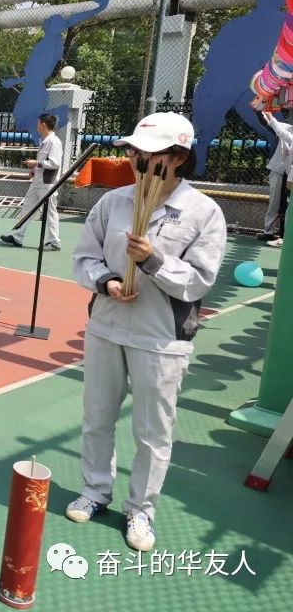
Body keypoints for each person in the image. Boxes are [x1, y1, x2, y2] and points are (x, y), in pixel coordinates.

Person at [67, 112, 226, 553]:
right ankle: (95, 490)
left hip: (161, 338)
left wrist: (154, 260)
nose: (138, 159)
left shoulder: (203, 212)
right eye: (135, 151)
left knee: (152, 430)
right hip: (106, 326)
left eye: (149, 153)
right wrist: (107, 282)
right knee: (97, 416)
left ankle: (141, 509)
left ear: (177, 158)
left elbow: (200, 280)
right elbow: (84, 258)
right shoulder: (114, 202)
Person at [0, 113, 63, 251]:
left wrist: (37, 163)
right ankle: (17, 236)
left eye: (38, 123)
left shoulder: (54, 142)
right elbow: (44, 162)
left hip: (48, 184)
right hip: (38, 182)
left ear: (43, 124)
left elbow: (55, 163)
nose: (37, 126)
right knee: (27, 208)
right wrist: (35, 169)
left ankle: (54, 241)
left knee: (50, 211)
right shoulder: (45, 141)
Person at [259, 111, 292, 246]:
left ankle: (285, 235)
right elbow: (271, 125)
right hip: (281, 170)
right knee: (276, 202)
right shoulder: (287, 129)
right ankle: (271, 231)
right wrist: (260, 111)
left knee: (288, 205)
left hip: (290, 174)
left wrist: (269, 116)